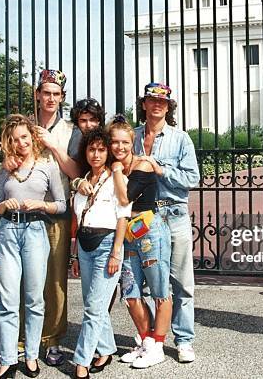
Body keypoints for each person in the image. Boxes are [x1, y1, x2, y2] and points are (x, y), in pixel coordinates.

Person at [5, 70, 80, 367]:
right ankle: (25, 339)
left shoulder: (70, 130)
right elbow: (7, 158)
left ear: (61, 98)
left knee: (55, 280)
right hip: (24, 213)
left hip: (56, 211)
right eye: (45, 92)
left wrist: (52, 145)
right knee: (24, 279)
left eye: (56, 94)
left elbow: (75, 171)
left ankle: (52, 339)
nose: (50, 98)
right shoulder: (23, 126)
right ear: (37, 94)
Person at [0, 114, 67, 379]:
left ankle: (32, 356)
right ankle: (8, 359)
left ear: (32, 137)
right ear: (9, 143)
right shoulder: (6, 168)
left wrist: (42, 205)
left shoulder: (47, 166)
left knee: (35, 298)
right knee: (8, 299)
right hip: (8, 231)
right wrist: (2, 207)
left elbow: (62, 204)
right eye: (15, 139)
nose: (21, 143)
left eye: (24, 137)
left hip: (36, 231)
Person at [134, 82, 200, 363]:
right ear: (144, 104)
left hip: (173, 213)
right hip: (144, 217)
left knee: (181, 280)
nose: (157, 104)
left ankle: (183, 339)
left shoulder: (180, 138)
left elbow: (193, 178)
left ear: (169, 106)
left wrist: (160, 169)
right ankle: (150, 335)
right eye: (152, 100)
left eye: (163, 101)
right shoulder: (133, 137)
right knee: (148, 279)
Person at [107, 115, 172, 369]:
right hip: (127, 234)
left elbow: (125, 200)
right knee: (131, 293)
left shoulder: (142, 165)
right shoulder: (116, 167)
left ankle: (158, 344)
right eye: (114, 142)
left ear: (132, 142)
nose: (119, 147)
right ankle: (145, 341)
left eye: (124, 142)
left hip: (150, 232)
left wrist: (115, 170)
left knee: (159, 291)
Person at [70, 127, 131, 379]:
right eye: (91, 149)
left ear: (108, 153)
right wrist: (74, 253)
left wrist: (116, 253)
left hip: (107, 245)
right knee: (91, 303)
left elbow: (123, 217)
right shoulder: (83, 180)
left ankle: (81, 360)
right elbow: (79, 219)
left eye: (101, 150)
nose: (96, 154)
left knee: (95, 308)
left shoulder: (117, 180)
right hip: (84, 245)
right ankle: (106, 348)